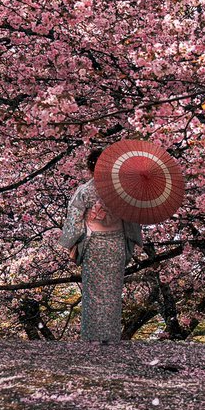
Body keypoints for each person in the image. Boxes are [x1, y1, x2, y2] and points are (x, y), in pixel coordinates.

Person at [60, 147, 144, 343]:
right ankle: (110, 337)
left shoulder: (85, 190)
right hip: (115, 244)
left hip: (94, 245)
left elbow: (74, 220)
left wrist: (73, 242)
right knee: (112, 292)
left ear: (90, 168)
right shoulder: (122, 191)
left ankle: (91, 337)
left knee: (93, 292)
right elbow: (131, 219)